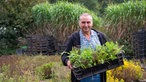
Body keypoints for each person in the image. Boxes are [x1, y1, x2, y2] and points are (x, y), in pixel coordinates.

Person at [61, 13, 107, 82]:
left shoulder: (100, 36)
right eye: (83, 22)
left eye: (88, 22)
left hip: (99, 77)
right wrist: (67, 61)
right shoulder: (74, 38)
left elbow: (107, 52)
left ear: (92, 23)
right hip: (81, 78)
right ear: (79, 23)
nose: (86, 25)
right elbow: (64, 55)